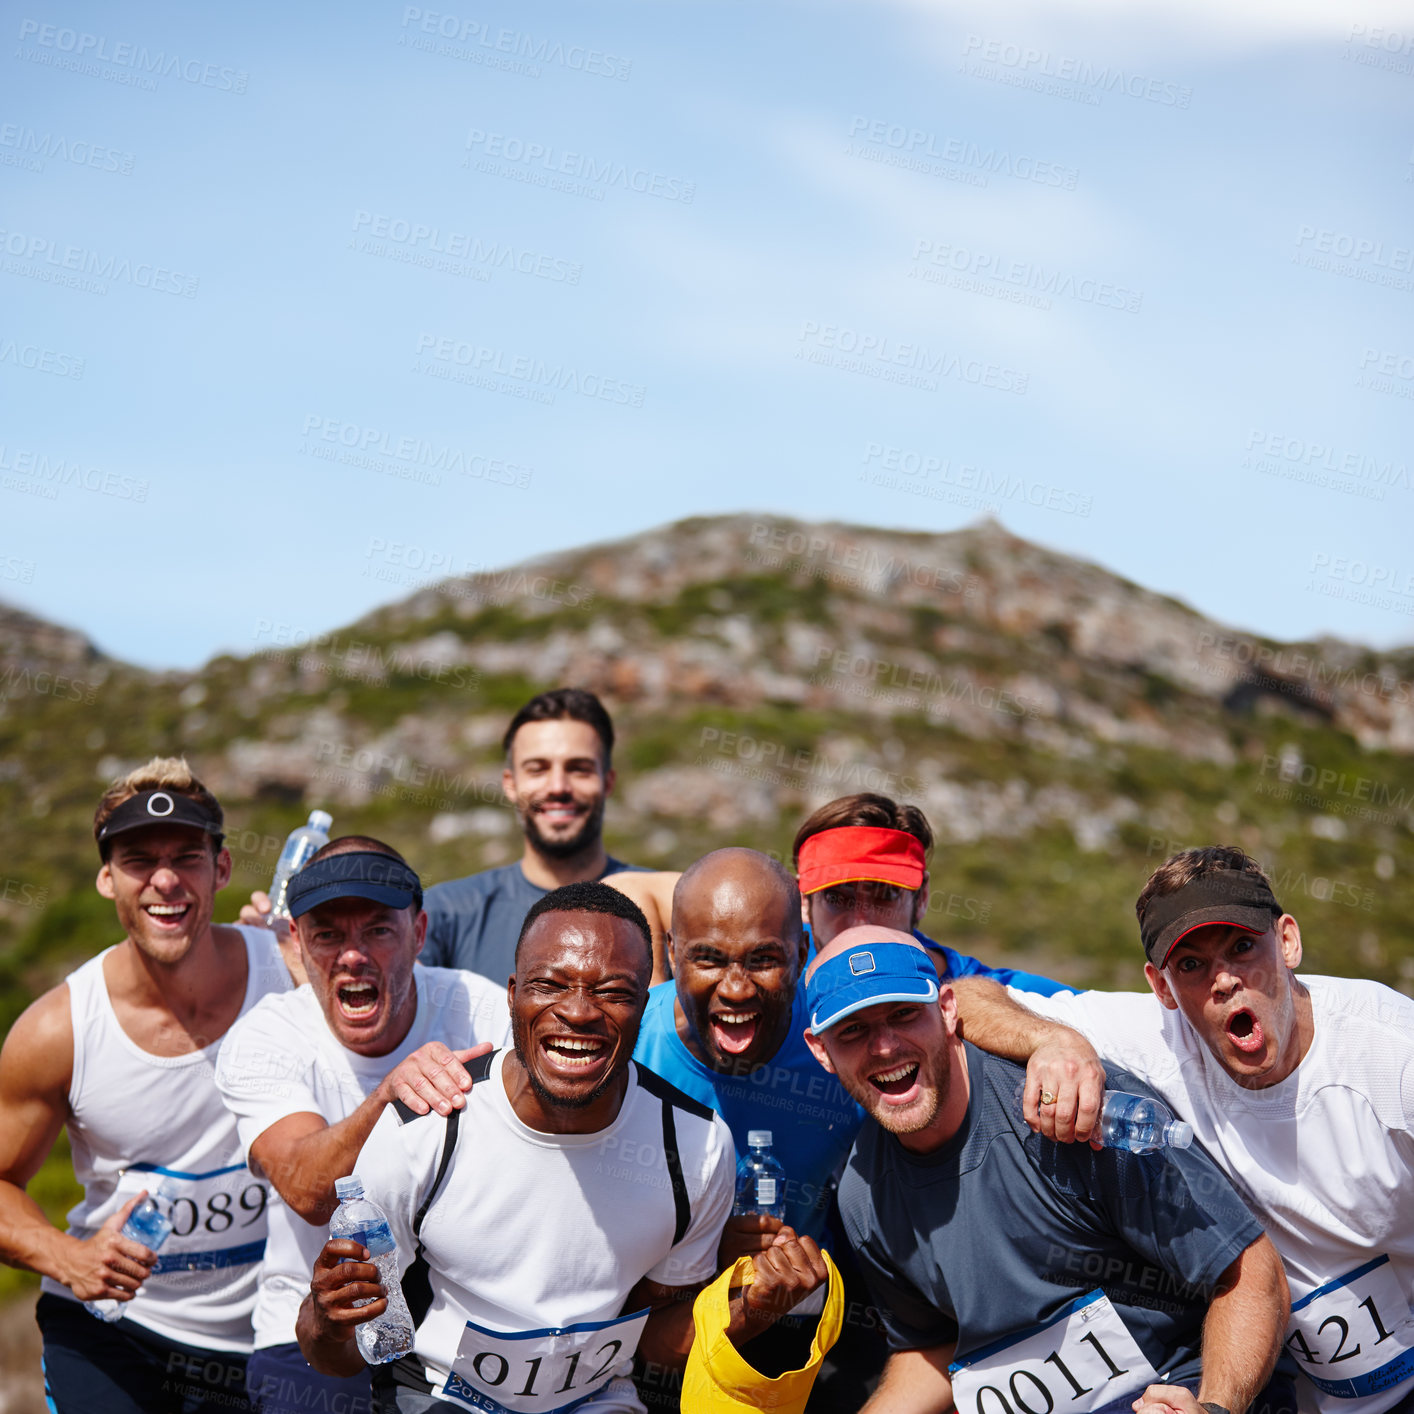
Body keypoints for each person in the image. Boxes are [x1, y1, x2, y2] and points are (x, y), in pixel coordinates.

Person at [296, 881, 828, 1412]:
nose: (578, 1012)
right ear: (512, 996)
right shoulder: (426, 1126)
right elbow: (337, 1356)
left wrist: (749, 1310)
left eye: (613, 992)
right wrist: (327, 1319)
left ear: (644, 1005)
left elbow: (655, 1345)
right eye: (550, 985)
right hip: (440, 1397)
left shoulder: (697, 1145)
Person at [975, 846, 1414, 1414]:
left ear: (1287, 942)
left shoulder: (1392, 1055)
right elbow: (969, 995)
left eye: (1242, 947)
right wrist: (1055, 1042)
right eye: (1191, 965)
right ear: (1162, 987)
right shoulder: (1156, 1037)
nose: (1225, 980)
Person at [803, 925, 1291, 1414]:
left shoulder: (1076, 1109)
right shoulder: (861, 1192)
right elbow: (931, 1347)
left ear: (948, 1009)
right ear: (821, 1050)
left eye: (904, 1014)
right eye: (853, 1030)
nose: (885, 1046)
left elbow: (1251, 1273)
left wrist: (1214, 1408)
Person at [0, 758, 292, 1414]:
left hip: (273, 1332)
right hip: (119, 1333)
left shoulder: (292, 975)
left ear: (220, 869)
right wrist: (66, 1258)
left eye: (187, 856)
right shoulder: (59, 1030)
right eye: (138, 860)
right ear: (107, 878)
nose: (165, 880)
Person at [216, 836, 511, 1414]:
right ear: (298, 945)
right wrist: (389, 1096)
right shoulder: (266, 1037)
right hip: (313, 1327)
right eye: (328, 933)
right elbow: (307, 1191)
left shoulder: (483, 1012)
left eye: (378, 930)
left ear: (419, 933)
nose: (353, 955)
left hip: (461, 1325)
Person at [792, 792, 1073, 992]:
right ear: (803, 900)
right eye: (837, 898)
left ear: (922, 897)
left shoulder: (1015, 999)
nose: (862, 923)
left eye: (887, 894)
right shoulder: (771, 996)